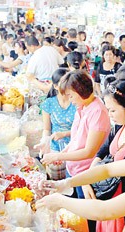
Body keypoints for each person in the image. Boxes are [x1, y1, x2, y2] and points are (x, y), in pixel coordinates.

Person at [84, 79, 125, 232]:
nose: (109, 115)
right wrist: (87, 180)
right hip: (109, 199)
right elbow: (101, 152)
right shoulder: (119, 126)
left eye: (112, 110)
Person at [41, 69, 111, 199]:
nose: (69, 99)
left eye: (70, 95)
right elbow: (75, 139)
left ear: (80, 91)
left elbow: (89, 152)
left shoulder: (97, 112)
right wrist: (61, 155)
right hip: (74, 170)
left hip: (86, 174)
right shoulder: (81, 107)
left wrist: (57, 157)